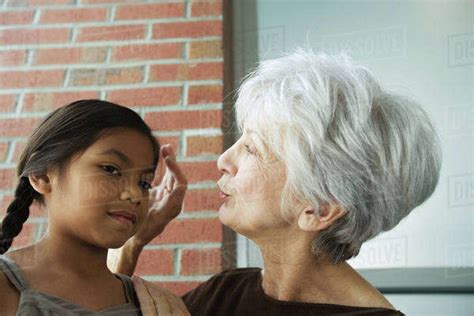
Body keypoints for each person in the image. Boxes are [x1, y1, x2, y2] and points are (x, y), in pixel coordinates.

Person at [115, 49, 442, 315]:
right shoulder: (223, 294)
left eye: (252, 149)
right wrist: (131, 241)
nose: (224, 161)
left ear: (319, 207)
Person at [0, 100, 189, 315]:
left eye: (144, 183)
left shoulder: (159, 306)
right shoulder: (6, 287)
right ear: (42, 175)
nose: (135, 195)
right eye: (111, 169)